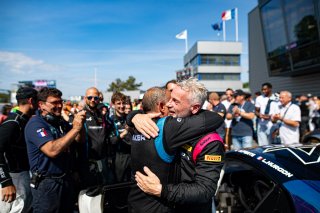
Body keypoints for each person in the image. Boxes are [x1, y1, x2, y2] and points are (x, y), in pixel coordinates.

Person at [131, 78, 225, 213]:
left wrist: (162, 190)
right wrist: (135, 116)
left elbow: (205, 190)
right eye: (170, 98)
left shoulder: (210, 142)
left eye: (175, 101)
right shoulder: (169, 127)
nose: (168, 105)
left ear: (195, 108)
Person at [24, 87, 86, 213]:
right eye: (54, 103)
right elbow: (52, 150)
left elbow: (79, 140)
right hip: (46, 185)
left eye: (60, 102)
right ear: (41, 105)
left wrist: (80, 126)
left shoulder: (59, 122)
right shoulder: (35, 124)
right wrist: (75, 129)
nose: (59, 106)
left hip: (66, 181)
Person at [0, 87, 38, 213]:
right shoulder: (13, 122)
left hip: (23, 175)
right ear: (32, 101)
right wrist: (5, 182)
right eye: (38, 101)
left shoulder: (24, 119)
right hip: (14, 177)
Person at [109, 92, 131, 182]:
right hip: (119, 157)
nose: (122, 106)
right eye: (118, 103)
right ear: (113, 105)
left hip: (132, 154)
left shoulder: (130, 118)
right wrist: (124, 133)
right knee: (119, 182)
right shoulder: (110, 120)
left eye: (123, 103)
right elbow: (112, 141)